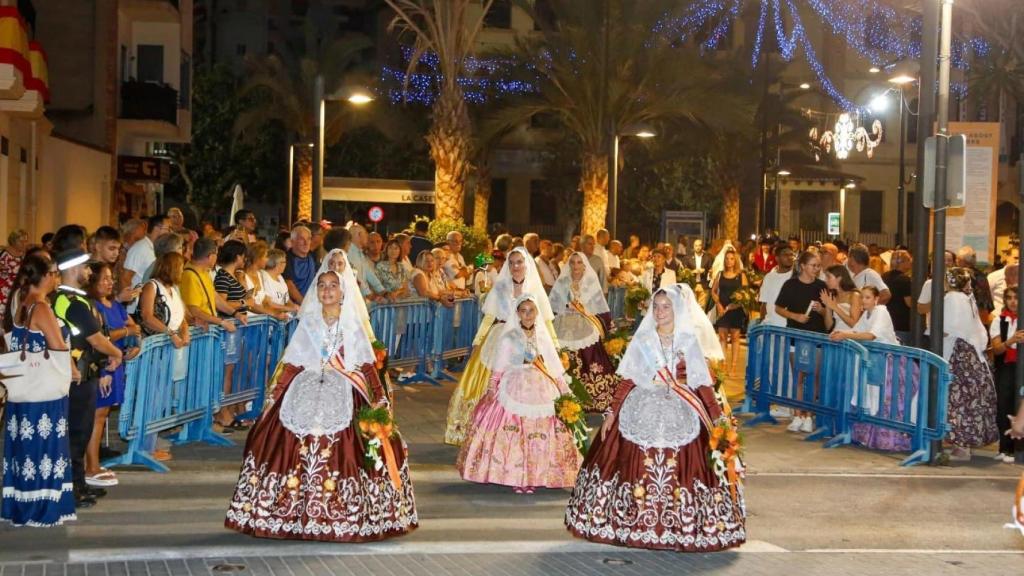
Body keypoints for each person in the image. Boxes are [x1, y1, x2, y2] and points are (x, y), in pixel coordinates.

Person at [224, 264, 418, 541]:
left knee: (352, 445)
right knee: (282, 439)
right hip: (305, 387)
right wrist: (274, 396)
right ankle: (287, 512)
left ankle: (342, 512)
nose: (327, 290)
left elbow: (365, 366)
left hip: (344, 389)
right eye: (322, 285)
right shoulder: (309, 323)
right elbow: (293, 363)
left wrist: (379, 399)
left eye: (332, 285)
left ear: (342, 292)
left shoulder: (352, 325)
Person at [565, 284, 745, 551]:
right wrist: (612, 413)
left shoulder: (688, 340)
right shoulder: (643, 339)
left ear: (677, 309)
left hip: (682, 406)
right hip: (644, 403)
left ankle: (682, 524)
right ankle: (630, 521)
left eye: (666, 306)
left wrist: (719, 421)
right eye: (656, 306)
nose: (660, 312)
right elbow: (627, 380)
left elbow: (702, 385)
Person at [457, 294, 583, 492]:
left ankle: (537, 475)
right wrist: (491, 388)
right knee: (516, 431)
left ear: (537, 312)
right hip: (514, 383)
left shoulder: (543, 336)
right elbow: (498, 366)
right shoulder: (509, 337)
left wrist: (565, 392)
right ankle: (516, 476)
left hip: (542, 386)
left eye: (531, 311)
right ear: (517, 313)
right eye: (523, 311)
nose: (527, 315)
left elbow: (554, 367)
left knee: (540, 433)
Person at [445, 247, 555, 445]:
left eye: (519, 262)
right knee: (489, 381)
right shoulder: (501, 286)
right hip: (501, 338)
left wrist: (554, 345)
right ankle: (482, 431)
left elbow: (545, 319)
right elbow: (490, 316)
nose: (515, 266)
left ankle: (521, 432)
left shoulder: (534, 287)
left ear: (526, 264)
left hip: (529, 341)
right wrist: (478, 341)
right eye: (512, 262)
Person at [2, 254, 77, 526]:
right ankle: (42, 507)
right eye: (55, 273)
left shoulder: (20, 301)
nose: (57, 277)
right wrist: (73, 366)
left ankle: (20, 504)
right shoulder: (41, 308)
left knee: (24, 449)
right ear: (44, 276)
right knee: (44, 449)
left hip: (23, 390)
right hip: (44, 392)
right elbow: (57, 345)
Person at [53, 248, 123, 509]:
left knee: (80, 433)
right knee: (77, 433)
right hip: (77, 376)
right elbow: (95, 338)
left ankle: (79, 484)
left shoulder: (72, 299)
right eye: (85, 267)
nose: (89, 272)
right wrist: (116, 352)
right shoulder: (69, 301)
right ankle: (72, 490)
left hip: (83, 372)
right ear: (73, 269)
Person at [830, 286, 914, 451]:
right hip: (874, 361)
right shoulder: (867, 314)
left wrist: (845, 335)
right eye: (862, 297)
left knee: (885, 399)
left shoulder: (881, 311)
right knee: (870, 397)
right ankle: (866, 436)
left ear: (876, 299)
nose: (863, 300)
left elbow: (871, 335)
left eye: (867, 297)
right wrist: (842, 332)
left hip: (889, 363)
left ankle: (891, 438)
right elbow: (858, 330)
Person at [84, 262, 141, 488]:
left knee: (103, 416)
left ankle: (94, 463)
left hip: (116, 363)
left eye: (111, 278)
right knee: (96, 417)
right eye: (104, 279)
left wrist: (133, 342)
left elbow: (131, 325)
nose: (110, 283)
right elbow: (101, 336)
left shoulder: (114, 304)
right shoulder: (94, 306)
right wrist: (125, 332)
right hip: (103, 365)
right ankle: (91, 465)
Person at [137, 252, 190, 462]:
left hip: (171, 350)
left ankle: (153, 441)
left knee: (162, 398)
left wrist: (184, 333)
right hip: (155, 349)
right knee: (151, 397)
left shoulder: (173, 290)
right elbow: (147, 316)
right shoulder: (152, 287)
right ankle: (144, 446)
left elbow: (182, 316)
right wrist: (171, 334)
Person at [550, 253, 618, 412]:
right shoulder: (563, 282)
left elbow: (600, 307)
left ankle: (591, 397)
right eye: (572, 263)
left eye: (579, 263)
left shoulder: (590, 282)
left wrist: (583, 310)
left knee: (590, 346)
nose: (575, 266)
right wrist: (566, 308)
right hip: (564, 323)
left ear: (584, 265)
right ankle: (563, 396)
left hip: (586, 323)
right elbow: (553, 305)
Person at [942, 267, 998, 461]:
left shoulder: (951, 299)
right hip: (973, 353)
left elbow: (948, 328)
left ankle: (962, 446)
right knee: (970, 399)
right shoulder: (968, 299)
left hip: (958, 354)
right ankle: (965, 444)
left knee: (957, 399)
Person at [774, 251, 831, 433]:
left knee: (814, 376)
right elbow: (779, 308)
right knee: (798, 375)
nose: (816, 269)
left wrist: (822, 310)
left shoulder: (822, 286)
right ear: (803, 266)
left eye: (818, 266)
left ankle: (810, 415)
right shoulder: (790, 285)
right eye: (813, 265)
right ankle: (798, 414)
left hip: (816, 336)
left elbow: (828, 314)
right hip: (796, 336)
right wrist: (795, 316)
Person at [213, 241, 251, 431]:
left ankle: (228, 408)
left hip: (236, 329)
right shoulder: (222, 278)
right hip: (228, 329)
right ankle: (223, 411)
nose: (245, 260)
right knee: (226, 373)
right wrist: (244, 301)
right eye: (243, 256)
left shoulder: (231, 276)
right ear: (237, 256)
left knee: (231, 372)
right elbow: (222, 302)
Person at [990, 286, 1022, 463]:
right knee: (1004, 406)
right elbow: (996, 348)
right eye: (1009, 298)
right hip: (1006, 367)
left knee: (1020, 406)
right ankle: (1005, 448)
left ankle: (1017, 448)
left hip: (1021, 366)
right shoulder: (999, 321)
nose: (1013, 301)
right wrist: (1011, 341)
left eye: (1016, 298)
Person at [711, 248, 749, 376]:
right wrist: (718, 304)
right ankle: (724, 364)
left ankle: (733, 367)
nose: (729, 261)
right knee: (722, 337)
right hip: (722, 309)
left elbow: (746, 294)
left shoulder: (741, 275)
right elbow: (713, 291)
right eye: (727, 258)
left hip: (736, 310)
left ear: (735, 260)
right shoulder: (720, 274)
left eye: (732, 259)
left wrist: (736, 304)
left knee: (735, 337)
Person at [122, 214, 170, 311]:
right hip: (136, 307)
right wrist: (129, 302)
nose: (169, 232)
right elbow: (125, 277)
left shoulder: (156, 248)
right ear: (157, 228)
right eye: (168, 228)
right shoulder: (140, 248)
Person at [347, 223, 387, 300]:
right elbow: (357, 277)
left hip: (359, 298)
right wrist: (370, 295)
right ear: (359, 235)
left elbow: (369, 273)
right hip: (353, 298)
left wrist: (383, 292)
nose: (367, 237)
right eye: (365, 233)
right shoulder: (350, 253)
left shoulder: (359, 252)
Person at [956, 246, 994, 325]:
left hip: (965, 318)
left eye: (958, 259)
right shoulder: (981, 275)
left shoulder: (960, 275)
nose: (956, 261)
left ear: (963, 261)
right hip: (980, 318)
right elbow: (985, 302)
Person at [758, 245, 794, 327]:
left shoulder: (796, 277)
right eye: (785, 255)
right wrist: (762, 323)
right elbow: (764, 304)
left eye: (791, 254)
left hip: (788, 327)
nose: (789, 257)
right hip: (770, 325)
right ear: (777, 258)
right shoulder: (769, 277)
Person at [820, 265, 862, 334]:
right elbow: (829, 327)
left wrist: (835, 307)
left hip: (849, 339)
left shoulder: (854, 295)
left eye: (828, 277)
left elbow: (854, 324)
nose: (825, 280)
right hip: (834, 336)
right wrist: (828, 306)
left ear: (839, 278)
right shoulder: (833, 296)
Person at [0, 228, 29, 327]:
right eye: (21, 241)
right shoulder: (4, 253)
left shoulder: (24, 255)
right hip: (4, 290)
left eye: (25, 241)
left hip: (17, 290)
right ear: (13, 240)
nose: (24, 243)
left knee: (14, 315)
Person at [882, 249, 913, 340]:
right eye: (908, 260)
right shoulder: (905, 280)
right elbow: (909, 303)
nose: (910, 263)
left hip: (887, 320)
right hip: (902, 323)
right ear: (902, 262)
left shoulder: (884, 276)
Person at [283, 225, 318, 304]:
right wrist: (304, 304)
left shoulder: (312, 256)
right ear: (292, 242)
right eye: (301, 239)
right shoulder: (286, 259)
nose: (306, 243)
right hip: (294, 306)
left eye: (308, 239)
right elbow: (289, 285)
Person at [260, 249, 297, 314]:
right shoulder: (264, 277)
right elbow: (267, 304)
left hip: (282, 315)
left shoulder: (280, 277)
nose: (286, 264)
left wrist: (295, 307)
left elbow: (286, 300)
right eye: (284, 262)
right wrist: (289, 308)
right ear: (278, 264)